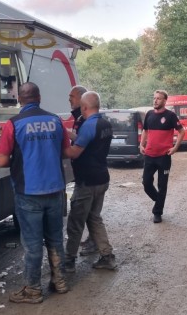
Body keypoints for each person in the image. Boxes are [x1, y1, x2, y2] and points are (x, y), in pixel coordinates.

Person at [0, 82, 69, 304]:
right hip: (55, 190)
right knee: (55, 239)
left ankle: (33, 290)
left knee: (32, 243)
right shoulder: (56, 121)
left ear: (20, 99)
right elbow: (66, 151)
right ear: (39, 97)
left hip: (28, 193)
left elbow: (1, 162)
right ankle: (60, 282)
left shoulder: (14, 124)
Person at [63, 91, 117, 271]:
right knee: (94, 218)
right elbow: (87, 142)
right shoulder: (105, 124)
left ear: (84, 107)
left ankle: (68, 261)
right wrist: (69, 135)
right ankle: (107, 256)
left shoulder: (88, 125)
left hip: (87, 181)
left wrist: (56, 146)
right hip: (102, 178)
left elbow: (74, 152)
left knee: (76, 222)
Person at [139, 90, 185, 223]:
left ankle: (157, 212)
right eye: (154, 98)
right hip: (149, 154)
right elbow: (145, 131)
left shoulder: (170, 116)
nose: (155, 101)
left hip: (164, 157)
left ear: (165, 101)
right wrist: (141, 145)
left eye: (158, 98)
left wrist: (175, 147)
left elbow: (182, 132)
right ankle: (159, 200)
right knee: (146, 183)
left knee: (162, 185)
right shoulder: (149, 114)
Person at [67, 85, 99, 256]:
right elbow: (80, 139)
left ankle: (69, 260)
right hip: (89, 176)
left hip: (87, 177)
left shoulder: (86, 120)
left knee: (81, 216)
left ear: (81, 99)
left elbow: (79, 148)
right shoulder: (81, 118)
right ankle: (97, 245)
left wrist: (61, 149)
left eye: (71, 96)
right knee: (92, 215)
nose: (69, 100)